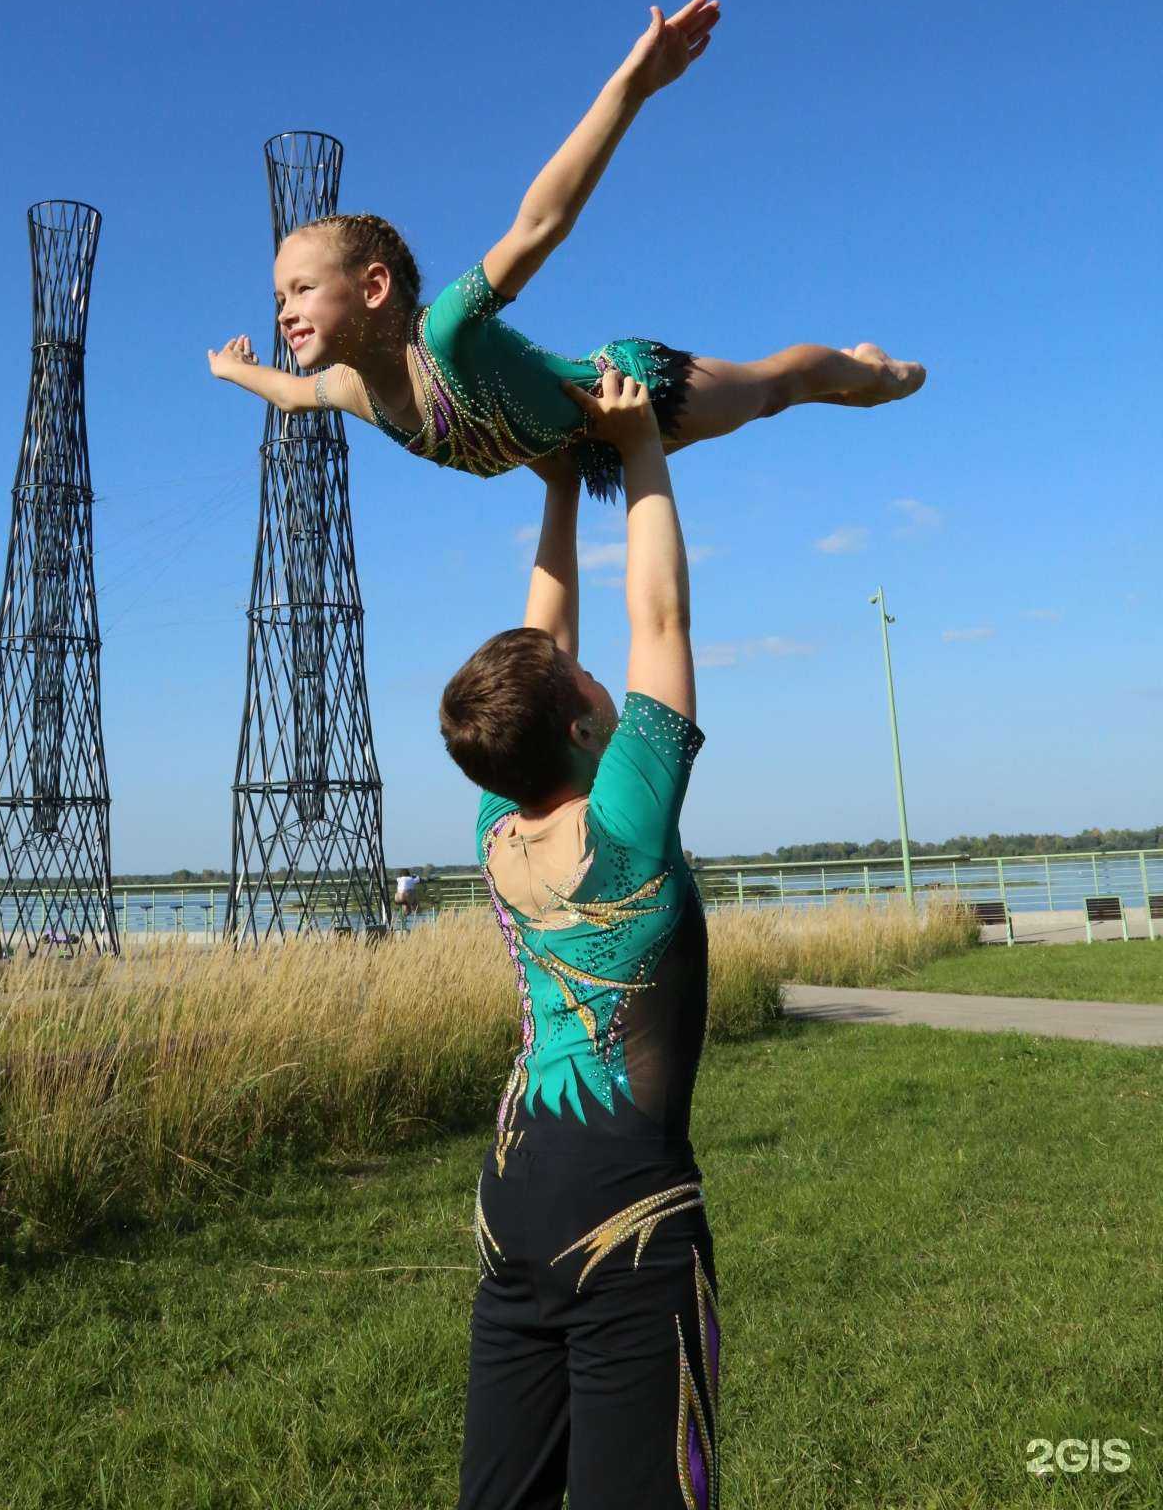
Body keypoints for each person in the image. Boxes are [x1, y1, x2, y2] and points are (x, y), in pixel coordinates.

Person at [209, 0, 924, 502]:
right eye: (278, 297)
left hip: (629, 393)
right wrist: (232, 370)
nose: (284, 311)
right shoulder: (350, 388)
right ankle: (857, 381)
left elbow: (538, 225)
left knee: (770, 392)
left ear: (373, 288)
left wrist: (631, 89)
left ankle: (871, 372)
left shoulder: (446, 332)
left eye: (302, 289)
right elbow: (289, 394)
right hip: (582, 452)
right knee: (773, 401)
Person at [440, 371, 719, 1509]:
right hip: (625, 1221)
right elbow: (662, 620)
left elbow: (539, 647)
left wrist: (560, 487)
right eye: (584, 678)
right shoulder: (629, 829)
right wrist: (640, 446)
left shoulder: (496, 830)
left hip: (512, 1208)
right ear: (579, 720)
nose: (600, 668)